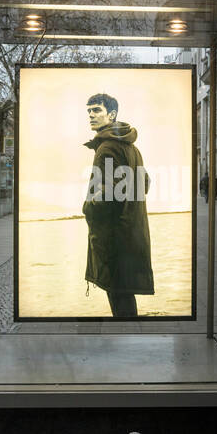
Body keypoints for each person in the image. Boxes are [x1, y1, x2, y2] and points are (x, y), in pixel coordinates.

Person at [82, 92, 153, 318]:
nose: (91, 115)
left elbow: (107, 197)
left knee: (118, 297)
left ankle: (128, 340)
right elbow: (145, 183)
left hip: (113, 238)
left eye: (97, 110)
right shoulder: (132, 148)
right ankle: (131, 338)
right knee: (124, 296)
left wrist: (88, 208)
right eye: (89, 111)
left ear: (111, 114)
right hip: (131, 233)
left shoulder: (107, 148)